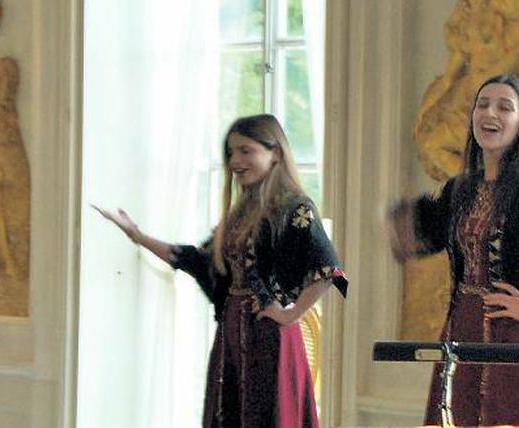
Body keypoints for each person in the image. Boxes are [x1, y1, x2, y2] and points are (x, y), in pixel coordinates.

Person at [96, 114, 347, 428]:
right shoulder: (241, 213)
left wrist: (289, 313)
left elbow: (330, 270)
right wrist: (136, 235)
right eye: (230, 153)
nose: (235, 161)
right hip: (231, 334)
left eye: (245, 150)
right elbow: (194, 259)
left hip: (270, 339)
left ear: (276, 154)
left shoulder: (294, 207)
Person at [386, 74, 519, 426]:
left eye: (505, 107)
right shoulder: (460, 188)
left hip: (511, 337)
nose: (491, 113)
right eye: (483, 104)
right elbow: (416, 234)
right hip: (459, 331)